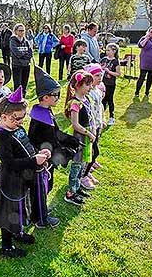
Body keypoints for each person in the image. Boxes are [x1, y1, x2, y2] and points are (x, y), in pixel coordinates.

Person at [0, 86, 51, 258]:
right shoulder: (1, 136)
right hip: (10, 180)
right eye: (16, 119)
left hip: (23, 178)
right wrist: (34, 161)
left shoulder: (17, 128)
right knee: (9, 212)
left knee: (21, 208)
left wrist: (40, 153)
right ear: (3, 117)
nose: (20, 122)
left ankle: (18, 232)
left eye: (22, 118)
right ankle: (7, 245)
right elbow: (9, 163)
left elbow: (27, 146)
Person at [28, 66, 81, 227]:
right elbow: (48, 140)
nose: (58, 98)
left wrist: (72, 141)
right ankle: (40, 218)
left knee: (47, 186)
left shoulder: (47, 111)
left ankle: (39, 210)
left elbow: (56, 133)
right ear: (44, 97)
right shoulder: (39, 117)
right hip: (42, 160)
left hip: (48, 158)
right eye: (55, 95)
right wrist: (65, 152)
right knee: (41, 188)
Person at [64, 71, 95, 204]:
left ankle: (77, 188)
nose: (90, 88)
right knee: (76, 165)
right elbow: (75, 124)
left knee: (83, 163)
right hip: (79, 137)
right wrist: (88, 133)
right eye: (88, 85)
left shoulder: (86, 99)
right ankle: (70, 193)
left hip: (87, 136)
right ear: (78, 85)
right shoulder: (74, 103)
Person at [81, 64, 106, 186]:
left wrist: (102, 120)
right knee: (92, 152)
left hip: (97, 124)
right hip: (90, 127)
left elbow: (100, 106)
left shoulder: (97, 90)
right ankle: (83, 176)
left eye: (101, 75)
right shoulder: (88, 93)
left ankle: (87, 171)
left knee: (93, 151)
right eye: (97, 75)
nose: (100, 78)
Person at [100, 43, 120, 125]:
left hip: (110, 84)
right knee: (102, 100)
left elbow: (118, 74)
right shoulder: (104, 59)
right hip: (102, 83)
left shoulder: (115, 61)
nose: (107, 52)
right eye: (106, 50)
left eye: (109, 50)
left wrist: (109, 71)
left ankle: (112, 117)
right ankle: (101, 116)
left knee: (110, 100)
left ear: (114, 51)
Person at [10, 23, 33, 96]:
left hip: (26, 65)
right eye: (20, 30)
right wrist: (25, 55)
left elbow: (30, 52)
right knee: (18, 85)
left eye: (23, 30)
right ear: (16, 31)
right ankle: (17, 100)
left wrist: (25, 56)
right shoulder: (12, 41)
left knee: (24, 84)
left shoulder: (26, 41)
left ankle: (23, 98)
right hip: (17, 66)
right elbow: (17, 53)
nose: (22, 32)